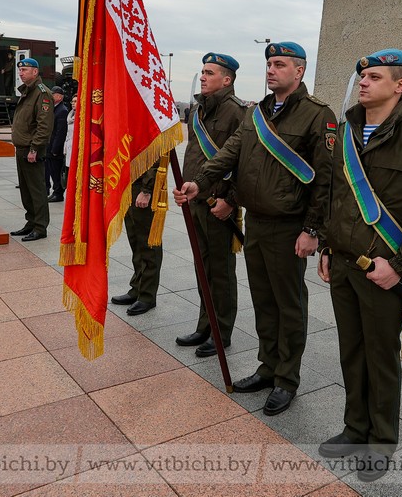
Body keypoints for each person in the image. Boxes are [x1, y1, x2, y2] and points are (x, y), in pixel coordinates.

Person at [316, 49, 402, 482]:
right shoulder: (345, 131)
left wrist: (401, 264)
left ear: (400, 85)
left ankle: (380, 441)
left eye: (375, 77)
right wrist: (327, 244)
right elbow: (336, 194)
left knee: (380, 356)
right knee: (350, 351)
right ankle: (354, 428)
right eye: (362, 75)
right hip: (342, 264)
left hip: (383, 270)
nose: (363, 82)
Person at [175, 41, 335, 416]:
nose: (271, 70)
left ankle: (287, 379)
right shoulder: (257, 112)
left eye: (279, 64)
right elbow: (230, 151)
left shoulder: (318, 115)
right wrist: (199, 182)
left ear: (299, 71)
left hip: (290, 224)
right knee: (264, 301)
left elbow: (326, 178)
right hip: (259, 222)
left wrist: (313, 229)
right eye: (268, 64)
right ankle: (268, 367)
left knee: (288, 304)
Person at [176, 52, 248, 358]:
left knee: (220, 271)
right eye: (202, 71)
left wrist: (230, 202)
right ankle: (204, 325)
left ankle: (222, 331)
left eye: (210, 72)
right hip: (196, 200)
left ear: (226, 79)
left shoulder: (237, 112)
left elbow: (244, 163)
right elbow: (194, 152)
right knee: (202, 267)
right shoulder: (197, 111)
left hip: (218, 204)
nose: (203, 76)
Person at [8, 57, 54, 242]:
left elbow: (44, 126)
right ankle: (31, 222)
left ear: (35, 72)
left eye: (25, 70)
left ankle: (40, 227)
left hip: (32, 150)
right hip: (22, 148)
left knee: (36, 190)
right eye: (20, 70)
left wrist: (35, 149)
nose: (21, 73)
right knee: (26, 190)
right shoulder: (27, 92)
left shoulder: (42, 93)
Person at [110, 160, 164, 316]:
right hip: (129, 182)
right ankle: (137, 288)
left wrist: (147, 189)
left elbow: (156, 154)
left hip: (143, 185)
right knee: (136, 241)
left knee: (148, 243)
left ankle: (147, 296)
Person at [45, 86, 69, 202]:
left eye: (53, 94)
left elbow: (60, 132)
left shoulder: (62, 110)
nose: (51, 96)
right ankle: (55, 190)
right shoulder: (54, 108)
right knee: (52, 170)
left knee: (56, 171)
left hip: (56, 148)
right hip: (50, 146)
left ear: (59, 97)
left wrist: (55, 149)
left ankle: (58, 192)